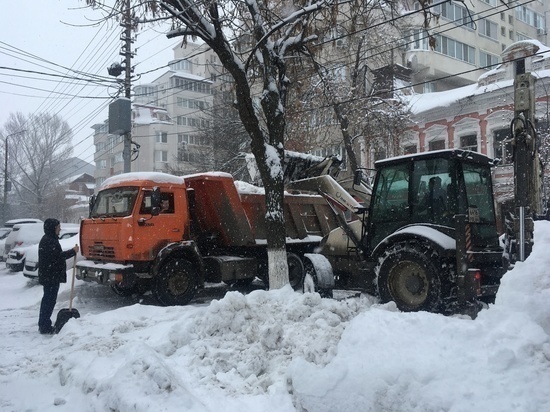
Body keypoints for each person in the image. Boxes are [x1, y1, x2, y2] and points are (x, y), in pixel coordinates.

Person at [37, 218, 79, 334]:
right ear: (52, 228)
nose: (59, 229)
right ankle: (44, 326)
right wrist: (73, 251)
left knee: (48, 300)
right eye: (58, 227)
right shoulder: (49, 241)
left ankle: (44, 324)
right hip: (50, 277)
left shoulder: (50, 239)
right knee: (49, 301)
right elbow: (58, 257)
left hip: (50, 276)